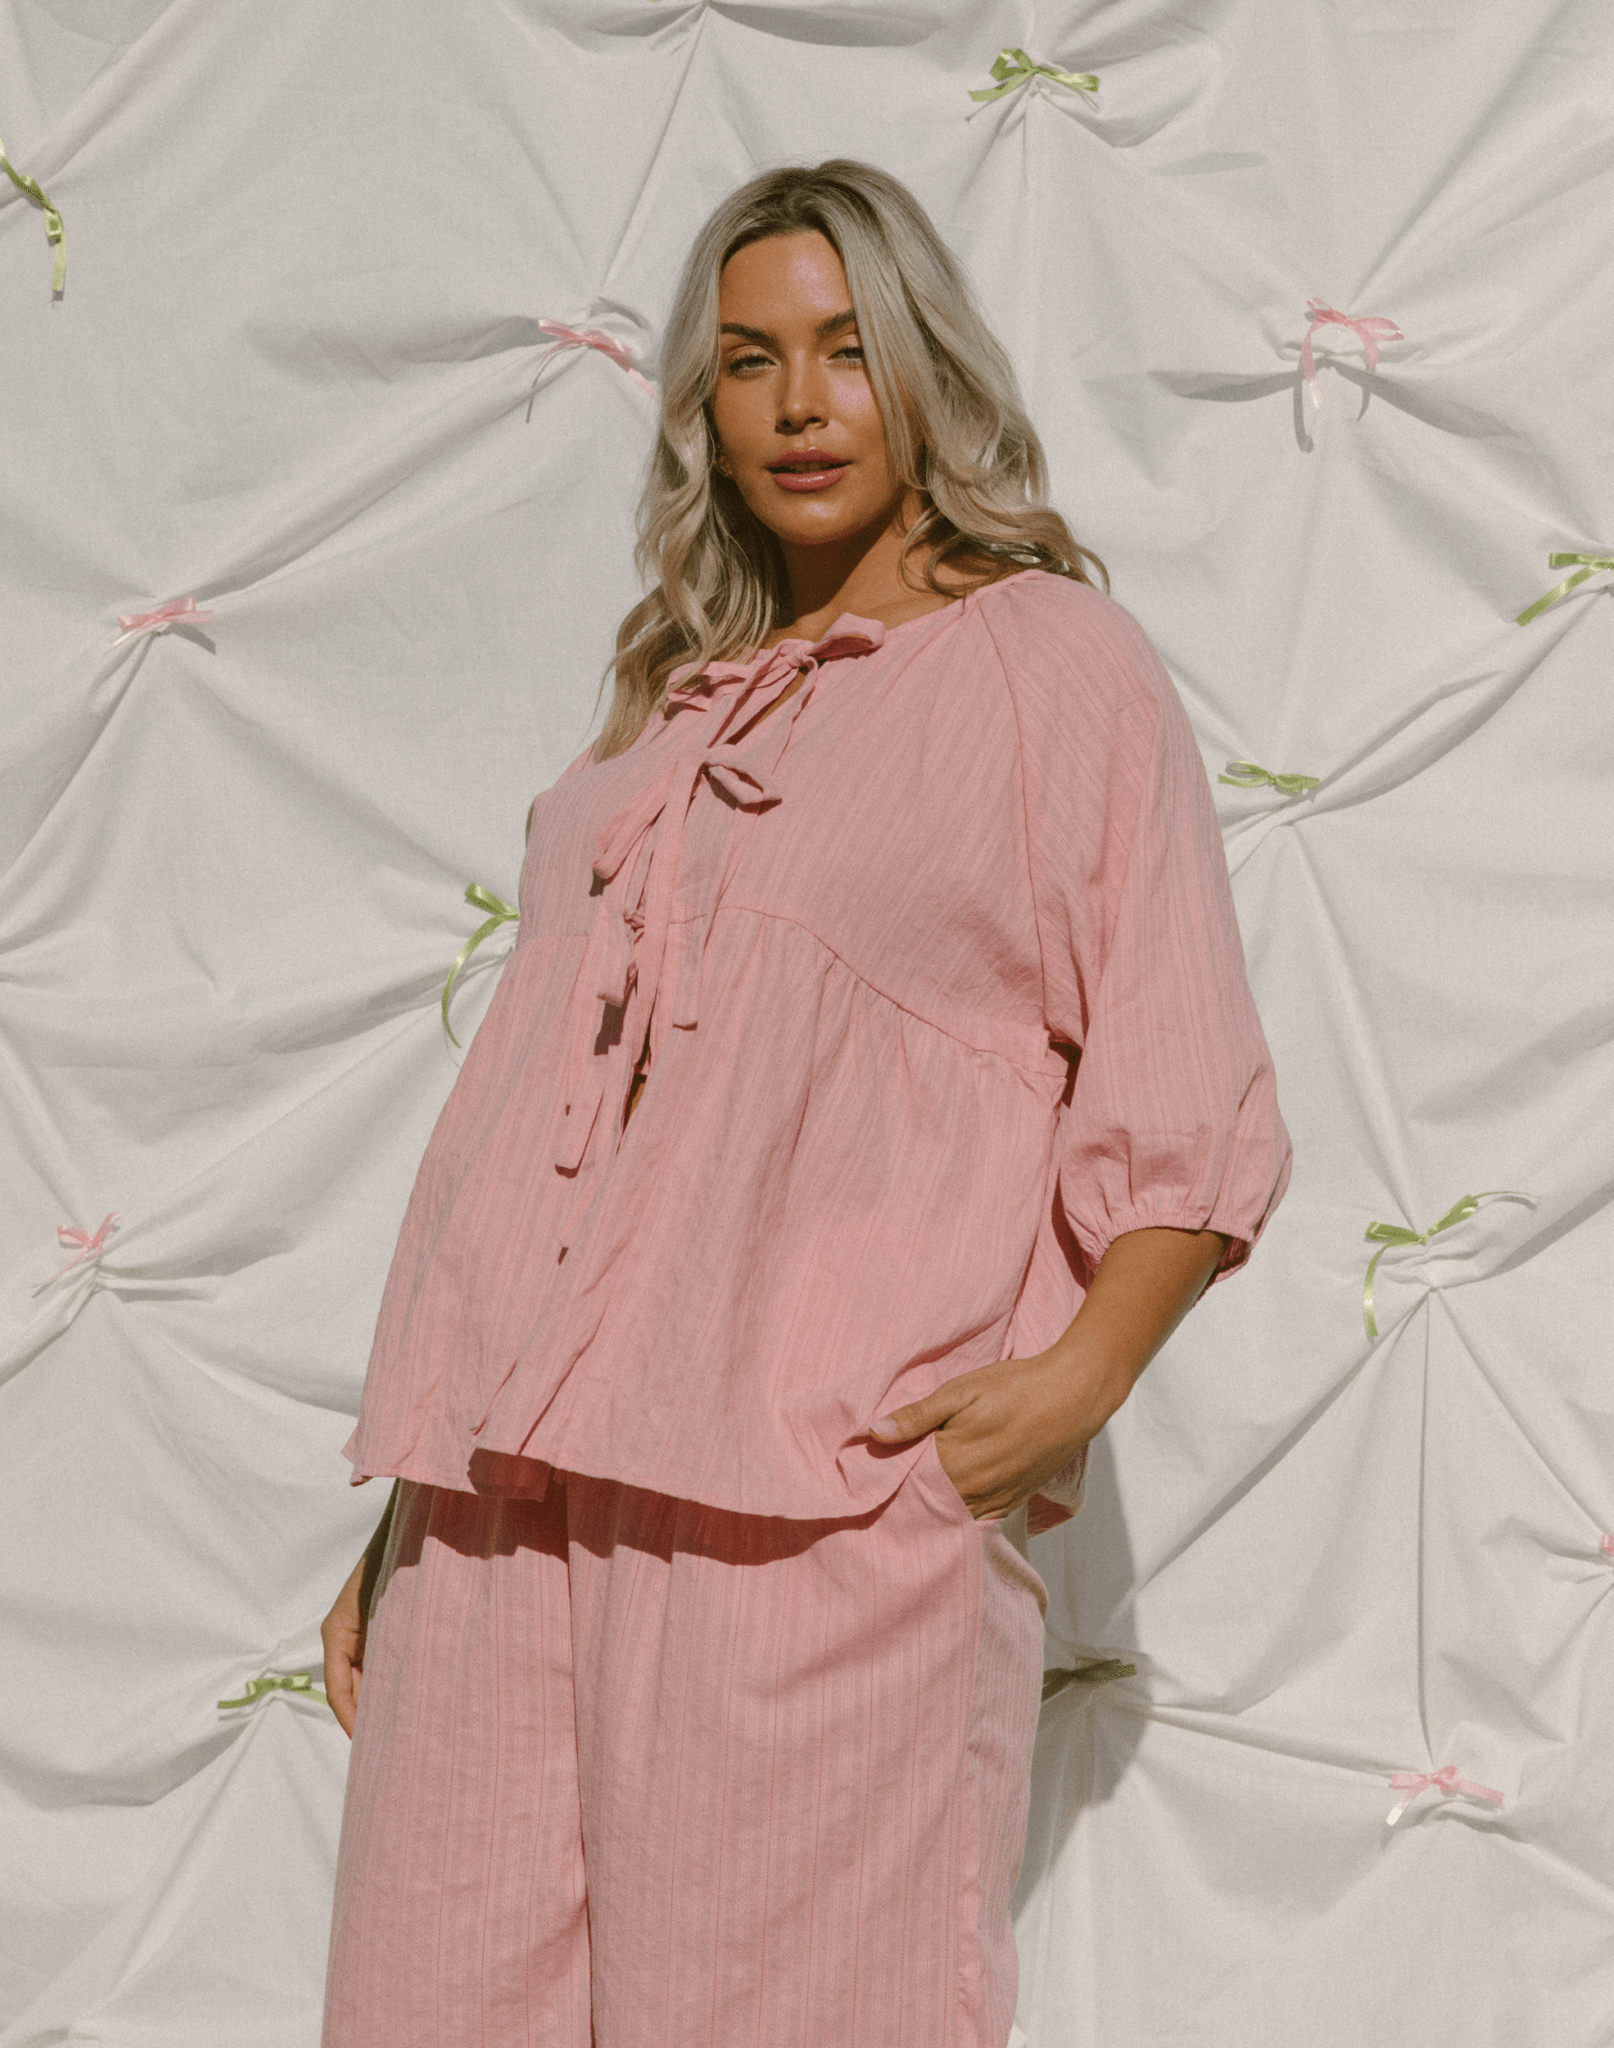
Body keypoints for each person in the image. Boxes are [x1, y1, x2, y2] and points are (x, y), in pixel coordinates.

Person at [319, 158, 1290, 2048]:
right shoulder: (674, 699)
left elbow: (1183, 1077)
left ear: (924, 369)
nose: (797, 401)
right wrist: (403, 1519)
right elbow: (543, 1133)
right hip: (507, 1518)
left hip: (815, 1506)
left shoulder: (1049, 664)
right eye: (747, 360)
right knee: (437, 2004)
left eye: (848, 349)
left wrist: (1067, 1385)